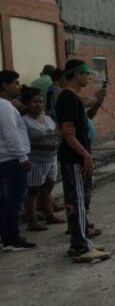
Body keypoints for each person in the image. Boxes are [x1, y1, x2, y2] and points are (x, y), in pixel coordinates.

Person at [56, 59, 110, 263]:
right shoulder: (68, 98)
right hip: (74, 158)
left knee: (82, 201)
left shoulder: (73, 97)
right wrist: (86, 155)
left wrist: (98, 100)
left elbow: (87, 116)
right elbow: (67, 133)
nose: (89, 77)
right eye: (86, 74)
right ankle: (79, 247)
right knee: (76, 201)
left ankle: (83, 241)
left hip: (79, 156)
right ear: (77, 74)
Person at [0, 70, 36, 251]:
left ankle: (6, 237)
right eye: (15, 83)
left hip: (4, 159)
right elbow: (11, 133)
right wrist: (22, 157)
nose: (18, 86)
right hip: (11, 160)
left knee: (4, 201)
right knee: (12, 201)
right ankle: (11, 239)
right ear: (5, 86)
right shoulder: (5, 107)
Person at [21, 86, 64, 231]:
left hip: (51, 159)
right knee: (34, 191)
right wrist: (43, 145)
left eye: (40, 101)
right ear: (27, 104)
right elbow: (23, 142)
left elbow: (55, 132)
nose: (38, 104)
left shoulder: (46, 118)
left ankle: (50, 215)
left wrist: (56, 137)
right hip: (35, 161)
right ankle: (32, 221)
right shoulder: (24, 121)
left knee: (47, 189)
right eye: (35, 102)